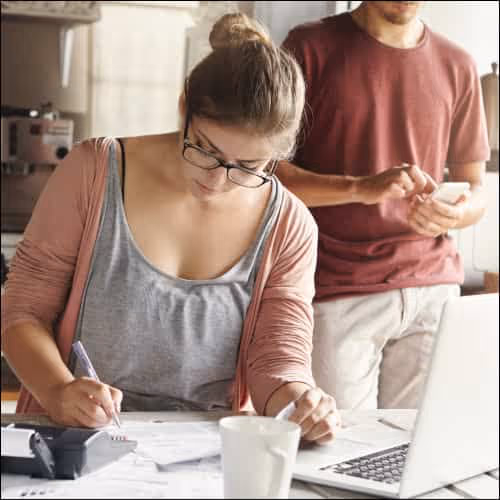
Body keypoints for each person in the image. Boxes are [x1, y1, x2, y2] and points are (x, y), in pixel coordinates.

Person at [0, 13, 340, 444]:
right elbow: (22, 314)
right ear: (184, 107)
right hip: (77, 441)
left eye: (248, 167)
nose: (216, 180)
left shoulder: (288, 225)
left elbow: (277, 358)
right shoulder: (92, 172)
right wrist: (58, 390)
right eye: (205, 150)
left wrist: (301, 404)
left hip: (204, 454)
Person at [278, 1, 490, 409]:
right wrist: (360, 187)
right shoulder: (308, 48)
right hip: (337, 290)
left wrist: (456, 213)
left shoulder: (458, 63)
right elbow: (270, 176)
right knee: (336, 454)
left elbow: (476, 188)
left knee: (416, 454)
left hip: (433, 291)